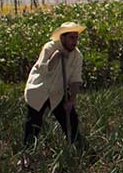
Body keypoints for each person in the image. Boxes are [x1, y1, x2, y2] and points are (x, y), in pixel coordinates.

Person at [22, 21, 86, 160]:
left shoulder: (77, 56)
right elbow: (44, 68)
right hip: (38, 91)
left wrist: (71, 100)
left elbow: (75, 80)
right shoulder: (50, 47)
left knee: (72, 119)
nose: (74, 42)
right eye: (71, 38)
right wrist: (56, 56)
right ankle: (27, 155)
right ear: (62, 38)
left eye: (76, 38)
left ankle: (78, 150)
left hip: (57, 93)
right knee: (34, 124)